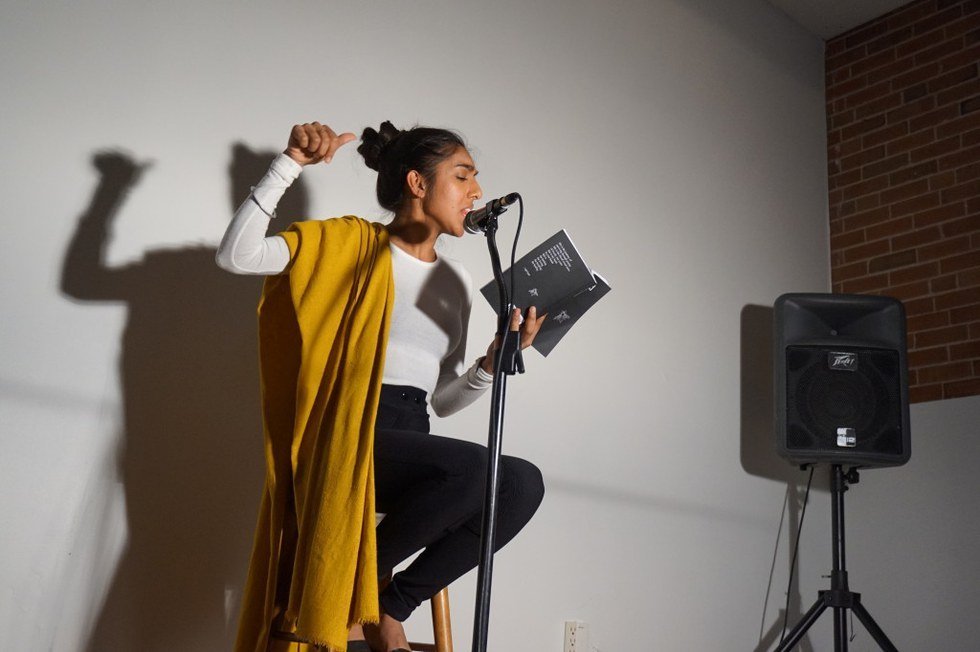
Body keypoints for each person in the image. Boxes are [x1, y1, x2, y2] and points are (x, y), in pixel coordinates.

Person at [217, 121, 546, 652]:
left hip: (409, 436)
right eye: (463, 176)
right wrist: (290, 164)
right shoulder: (350, 246)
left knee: (522, 483)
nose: (477, 191)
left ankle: (388, 603)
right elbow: (237, 256)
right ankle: (355, 591)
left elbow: (442, 398)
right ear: (418, 183)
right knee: (472, 471)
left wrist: (490, 363)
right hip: (346, 435)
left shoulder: (457, 282)